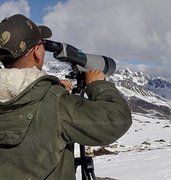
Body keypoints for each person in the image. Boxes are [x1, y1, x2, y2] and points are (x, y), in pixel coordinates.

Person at [0, 14, 132, 179]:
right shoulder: (55, 104)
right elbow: (117, 119)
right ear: (36, 54)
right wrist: (97, 85)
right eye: (42, 44)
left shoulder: (49, 99)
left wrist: (51, 91)